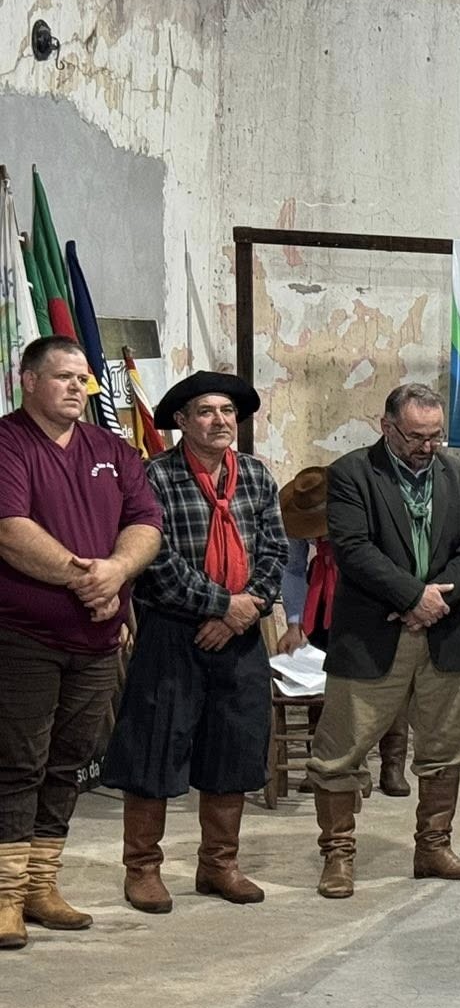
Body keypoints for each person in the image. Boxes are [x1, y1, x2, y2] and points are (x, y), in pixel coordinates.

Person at [101, 373, 286, 913]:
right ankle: (142, 869)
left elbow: (276, 549)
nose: (220, 420)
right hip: (172, 632)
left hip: (242, 631)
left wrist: (241, 610)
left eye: (227, 411)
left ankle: (219, 864)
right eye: (205, 411)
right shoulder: (153, 477)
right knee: (154, 748)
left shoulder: (254, 475)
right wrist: (219, 605)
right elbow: (153, 559)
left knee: (233, 746)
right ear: (181, 422)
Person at [0, 336, 162, 950]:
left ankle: (41, 885)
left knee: (68, 762)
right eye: (64, 377)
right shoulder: (8, 442)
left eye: (84, 379)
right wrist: (86, 576)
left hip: (94, 640)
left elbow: (145, 521)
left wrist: (117, 573)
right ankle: (5, 896)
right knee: (18, 762)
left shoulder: (110, 448)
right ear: (29, 382)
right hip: (23, 637)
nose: (77, 387)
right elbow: (11, 530)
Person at [305, 384, 460, 899]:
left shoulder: (457, 475)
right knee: (340, 750)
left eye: (436, 436)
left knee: (447, 746)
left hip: (443, 634)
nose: (428, 447)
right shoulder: (352, 474)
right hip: (373, 634)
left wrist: (438, 602)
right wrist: (413, 597)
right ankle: (338, 855)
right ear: (386, 428)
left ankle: (433, 848)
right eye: (416, 437)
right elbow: (353, 549)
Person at [277, 466, 410, 799]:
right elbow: (292, 570)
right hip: (322, 594)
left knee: (383, 680)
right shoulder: (296, 515)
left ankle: (391, 764)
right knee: (323, 677)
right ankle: (325, 760)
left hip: (368, 593)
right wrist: (295, 622)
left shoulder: (369, 510)